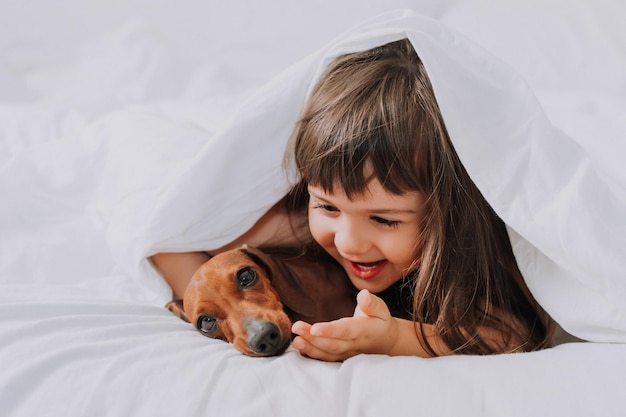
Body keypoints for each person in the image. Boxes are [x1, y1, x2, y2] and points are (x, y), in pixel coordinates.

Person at [151, 38, 552, 361]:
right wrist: (224, 316)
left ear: (444, 211)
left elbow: (514, 331)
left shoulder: (465, 249)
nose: (348, 242)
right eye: (327, 207)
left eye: (384, 219)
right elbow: (168, 239)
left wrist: (396, 337)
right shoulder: (285, 224)